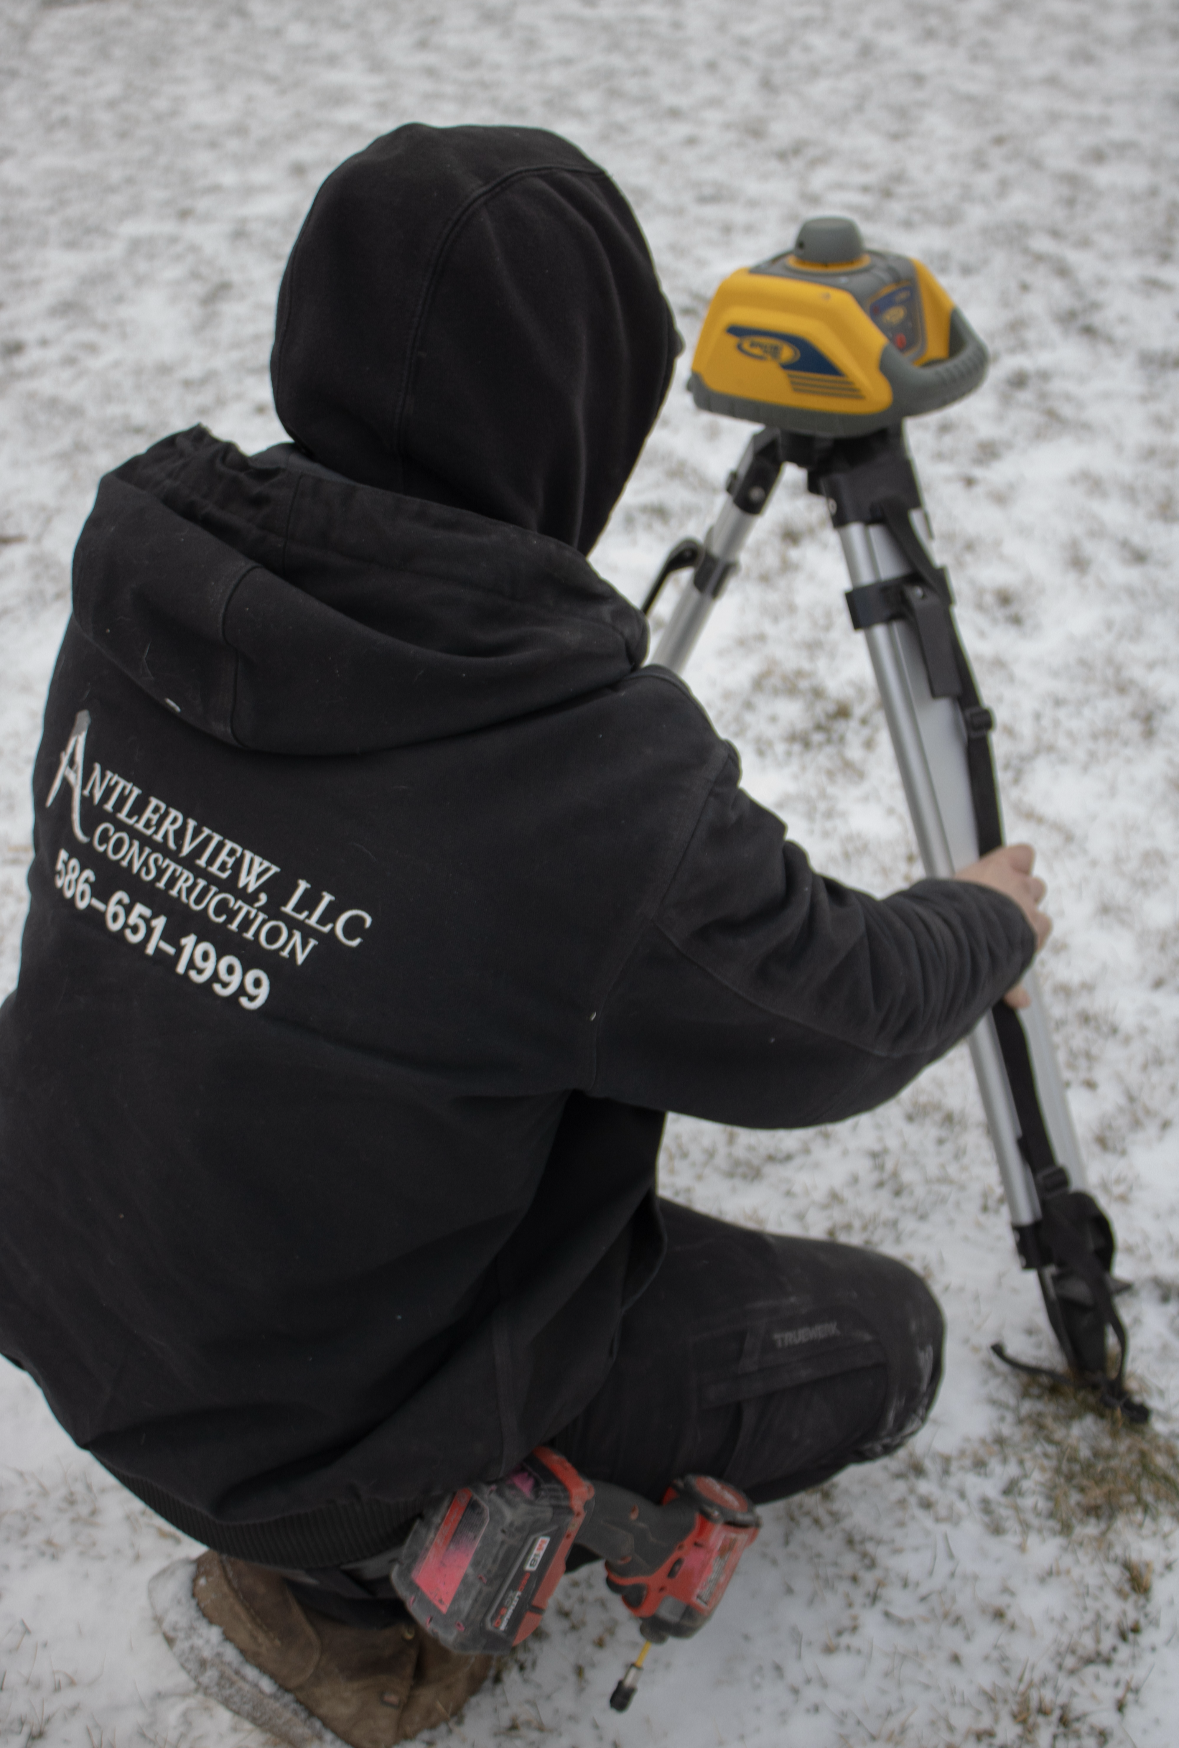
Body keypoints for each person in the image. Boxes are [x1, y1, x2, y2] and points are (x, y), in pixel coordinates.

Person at [0, 125, 1048, 1746]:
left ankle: (329, 1495)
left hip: (78, 1295)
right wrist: (981, 919)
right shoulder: (569, 774)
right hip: (317, 1427)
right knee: (883, 1345)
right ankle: (365, 1574)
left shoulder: (155, 583)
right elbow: (831, 1021)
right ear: (583, 407)